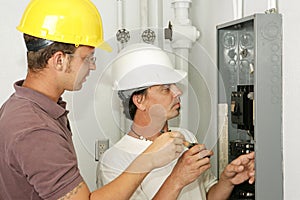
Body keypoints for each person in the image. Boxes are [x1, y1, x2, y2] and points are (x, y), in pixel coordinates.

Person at [0, 1, 186, 200]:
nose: (92, 66)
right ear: (59, 60)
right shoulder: (35, 129)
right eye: (88, 58)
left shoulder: (29, 109)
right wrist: (147, 160)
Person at [98, 43, 255, 199]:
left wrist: (227, 181)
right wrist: (177, 179)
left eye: (175, 85)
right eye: (166, 88)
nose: (178, 92)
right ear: (139, 100)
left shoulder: (186, 137)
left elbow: (207, 196)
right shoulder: (114, 161)